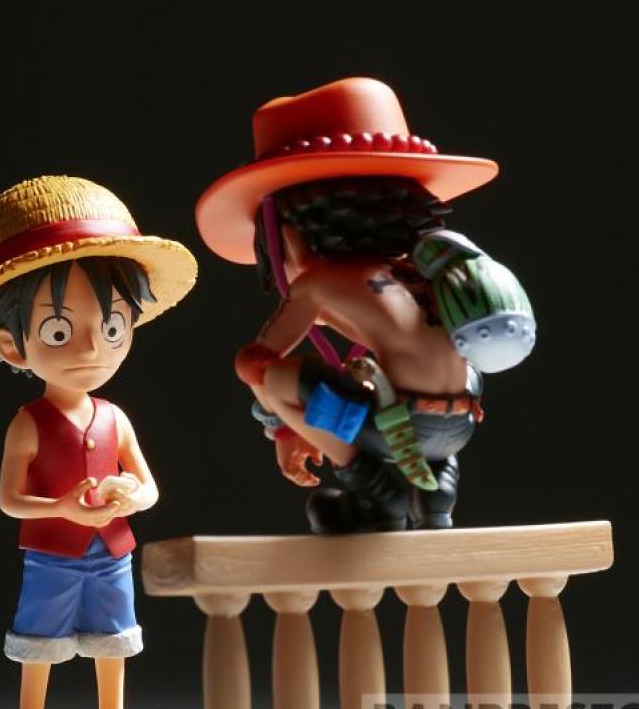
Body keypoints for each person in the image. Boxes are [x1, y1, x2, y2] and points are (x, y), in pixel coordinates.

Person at [0, 175, 197, 709]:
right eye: (58, 331)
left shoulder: (115, 417)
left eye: (112, 327)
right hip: (52, 554)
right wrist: (63, 509)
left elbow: (150, 488)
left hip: (113, 550)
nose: (93, 349)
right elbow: (10, 501)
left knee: (115, 635)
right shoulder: (28, 423)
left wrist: (131, 495)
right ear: (12, 346)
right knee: (39, 639)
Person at [196, 78, 534, 533]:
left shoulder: (319, 282)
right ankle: (437, 497)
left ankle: (378, 492)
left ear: (288, 236)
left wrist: (286, 428)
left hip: (403, 427)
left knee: (269, 376)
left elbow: (257, 362)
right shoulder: (422, 273)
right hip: (461, 425)